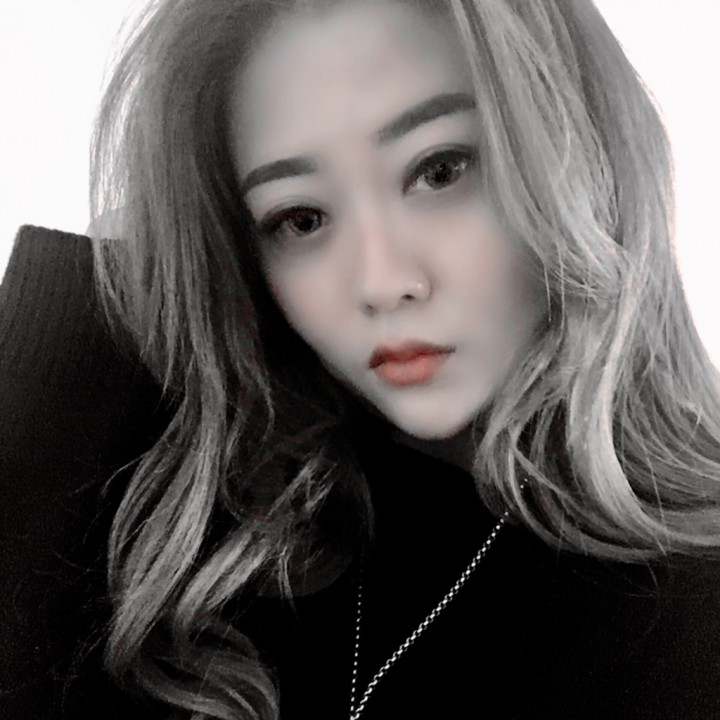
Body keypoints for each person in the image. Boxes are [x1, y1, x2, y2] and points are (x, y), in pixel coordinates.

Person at [2, 0, 720, 718]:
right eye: (301, 219)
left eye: (440, 170)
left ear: (584, 156)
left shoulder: (690, 613)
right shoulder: (226, 551)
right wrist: (97, 294)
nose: (381, 282)